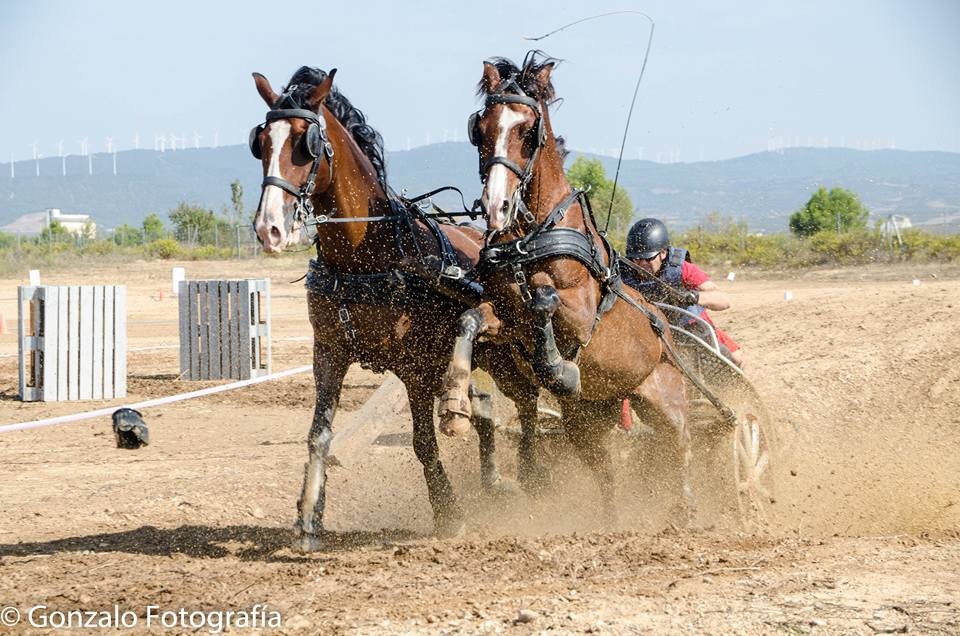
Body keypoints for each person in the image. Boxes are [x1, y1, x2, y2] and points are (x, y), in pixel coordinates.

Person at [622, 218, 745, 368]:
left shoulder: (682, 269)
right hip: (651, 332)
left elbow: (724, 301)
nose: (641, 264)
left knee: (738, 359)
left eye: (648, 258)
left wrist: (693, 297)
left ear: (663, 253)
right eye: (636, 258)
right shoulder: (624, 273)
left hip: (692, 328)